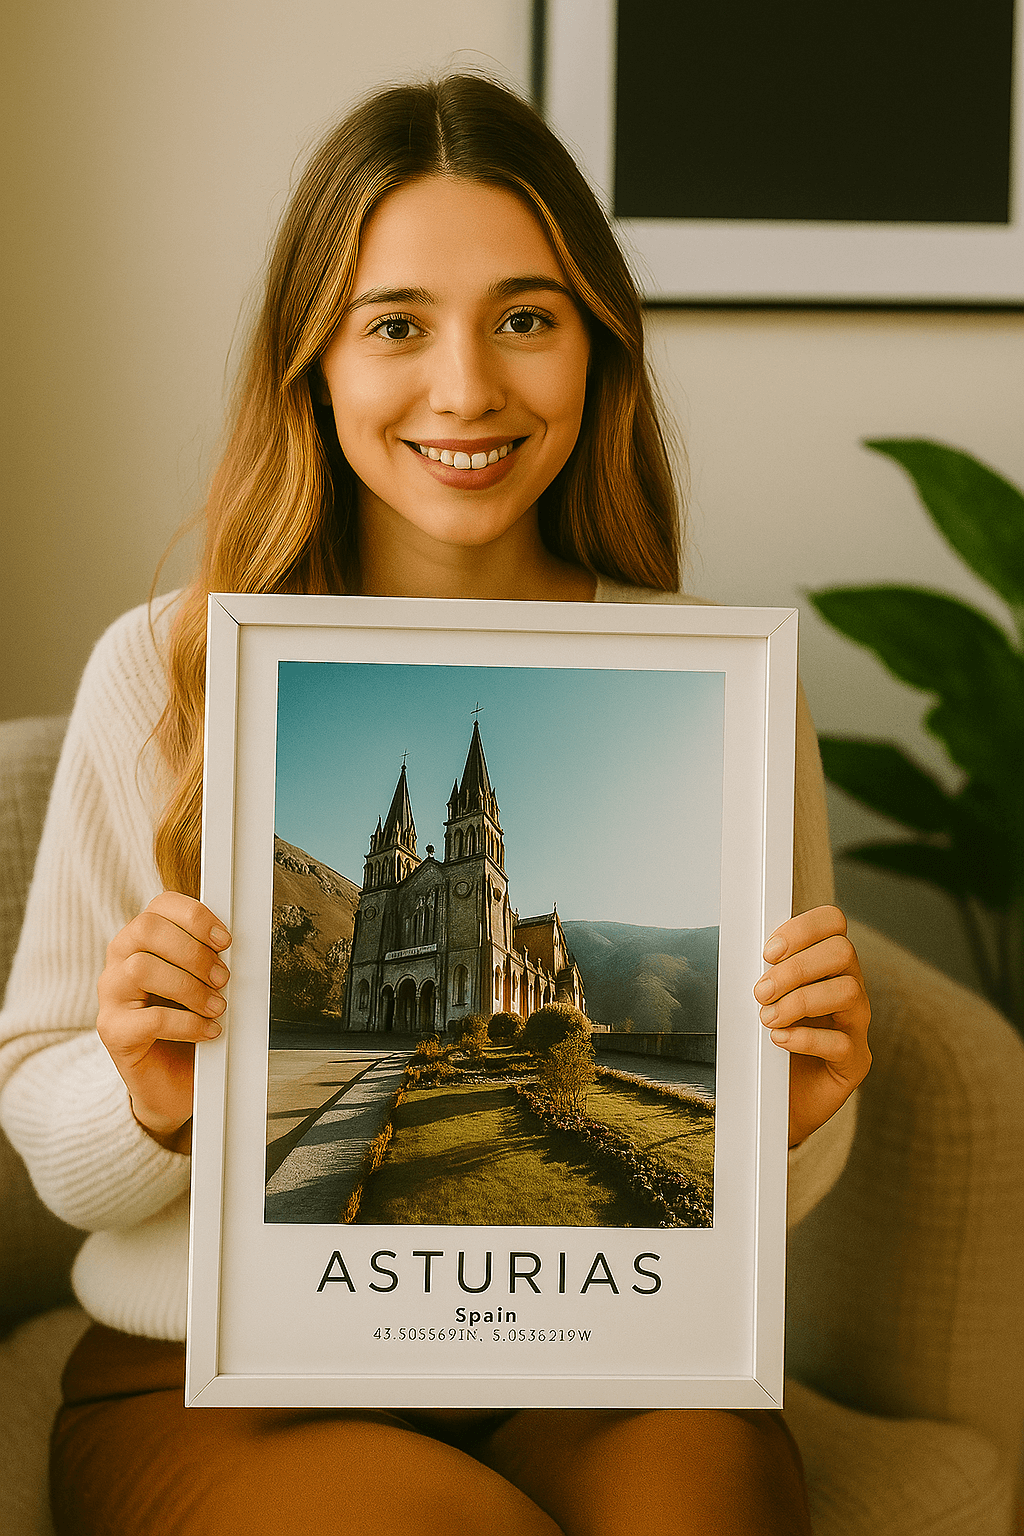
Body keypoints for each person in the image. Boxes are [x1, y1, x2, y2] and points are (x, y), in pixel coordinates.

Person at [0, 74, 870, 1536]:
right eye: (396, 324)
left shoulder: (724, 682)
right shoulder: (167, 668)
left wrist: (789, 1117)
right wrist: (143, 1094)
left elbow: (755, 1186)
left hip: (612, 1360)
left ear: (596, 349)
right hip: (218, 1375)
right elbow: (48, 1125)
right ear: (314, 362)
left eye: (526, 318)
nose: (465, 388)